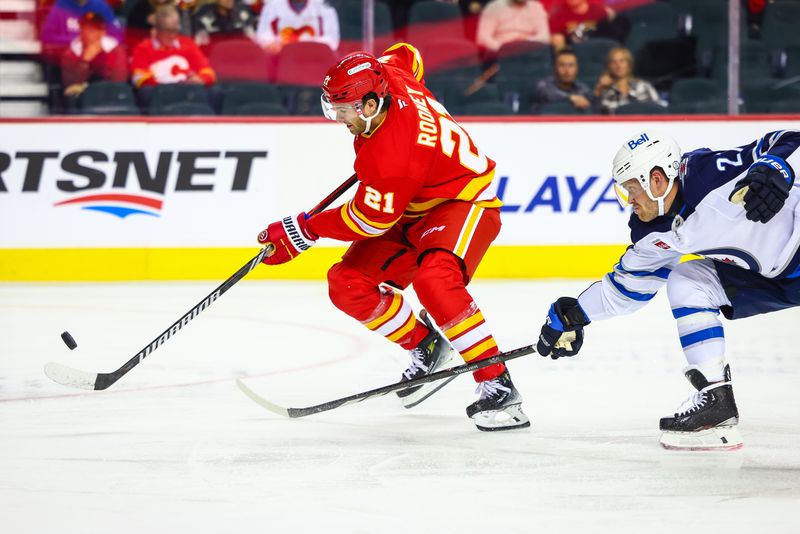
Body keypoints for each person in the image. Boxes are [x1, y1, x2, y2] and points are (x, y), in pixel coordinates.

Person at [255, 43, 530, 432]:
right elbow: (408, 53)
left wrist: (303, 230)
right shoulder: (388, 75)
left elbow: (369, 219)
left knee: (435, 281)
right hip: (410, 203)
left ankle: (498, 386)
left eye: (344, 110)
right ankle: (427, 346)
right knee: (346, 284)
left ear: (369, 105)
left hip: (460, 202)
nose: (338, 118)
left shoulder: (393, 153)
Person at [535, 129, 800, 450]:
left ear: (656, 180)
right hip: (778, 278)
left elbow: (788, 138)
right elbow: (628, 288)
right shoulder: (652, 230)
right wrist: (575, 314)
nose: (629, 200)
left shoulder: (708, 173)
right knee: (689, 281)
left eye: (632, 188)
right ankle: (716, 403)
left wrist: (775, 166)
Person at [131, 4, 217, 88]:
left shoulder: (188, 44)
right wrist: (164, 87)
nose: (172, 35)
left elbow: (208, 71)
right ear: (156, 29)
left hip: (187, 93)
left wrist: (200, 80)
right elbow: (138, 77)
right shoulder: (143, 48)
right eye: (167, 31)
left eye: (175, 30)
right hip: (159, 95)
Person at [60, 11, 128, 101]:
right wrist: (85, 61)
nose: (87, 33)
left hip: (111, 95)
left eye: (93, 30)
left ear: (102, 32)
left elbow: (120, 80)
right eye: (85, 28)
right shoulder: (71, 53)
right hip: (82, 97)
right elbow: (70, 84)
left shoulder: (116, 50)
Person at [593, 46, 664, 114]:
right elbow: (594, 115)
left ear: (629, 64)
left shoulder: (644, 86)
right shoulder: (604, 91)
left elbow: (658, 111)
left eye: (622, 61)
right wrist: (599, 88)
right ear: (608, 66)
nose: (618, 66)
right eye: (613, 62)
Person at [255, 0, 340, 53]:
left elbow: (331, 40)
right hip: (281, 57)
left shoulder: (324, 8)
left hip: (314, 57)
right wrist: (270, 42)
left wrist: (304, 48)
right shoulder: (273, 5)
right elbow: (263, 33)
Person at [475, 0, 550, 56]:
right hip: (501, 53)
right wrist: (503, 48)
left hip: (529, 50)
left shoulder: (536, 7)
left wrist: (526, 42)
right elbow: (482, 37)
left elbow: (544, 36)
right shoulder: (494, 7)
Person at [532, 47, 593, 112]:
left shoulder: (582, 88)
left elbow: (593, 102)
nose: (566, 71)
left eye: (571, 66)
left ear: (577, 69)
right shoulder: (543, 85)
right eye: (562, 65)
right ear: (554, 69)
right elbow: (547, 93)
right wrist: (569, 97)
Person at [548, 0, 614, 51]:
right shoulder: (559, 14)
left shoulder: (598, 12)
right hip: (573, 52)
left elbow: (607, 37)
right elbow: (554, 37)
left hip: (597, 49)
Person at [192, 0, 257, 46]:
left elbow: (252, 38)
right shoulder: (204, 13)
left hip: (240, 54)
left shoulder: (243, 12)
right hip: (215, 55)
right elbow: (199, 43)